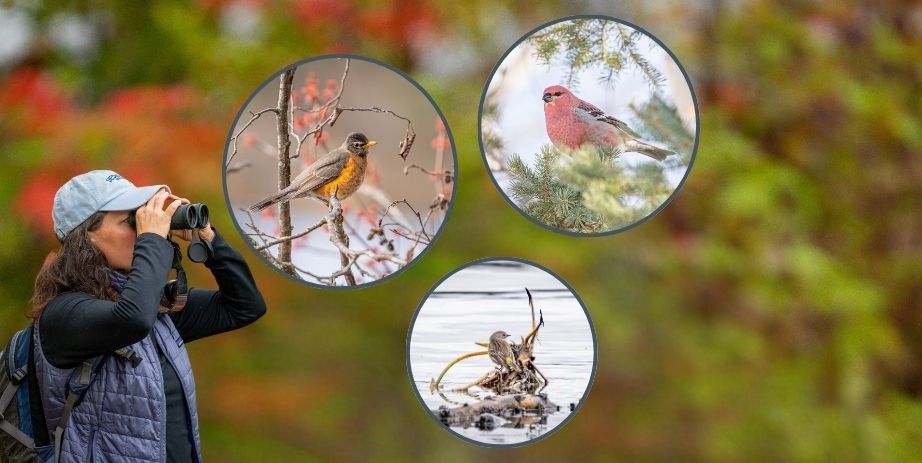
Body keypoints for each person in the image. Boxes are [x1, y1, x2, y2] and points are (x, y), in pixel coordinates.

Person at [28, 170, 266, 462]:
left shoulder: (156, 310)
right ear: (87, 235)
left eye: (141, 219)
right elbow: (132, 319)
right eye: (131, 221)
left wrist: (208, 238)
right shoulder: (64, 314)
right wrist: (152, 238)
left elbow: (244, 306)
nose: (141, 229)